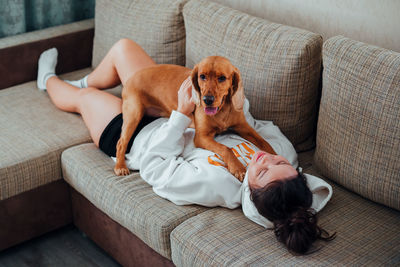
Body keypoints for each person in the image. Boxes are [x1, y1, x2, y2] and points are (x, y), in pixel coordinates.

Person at [37, 38, 335, 254]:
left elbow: (155, 168)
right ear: (295, 170)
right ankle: (84, 81)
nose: (265, 159)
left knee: (86, 98)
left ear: (251, 189)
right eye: (280, 164)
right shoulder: (283, 152)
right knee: (123, 48)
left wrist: (180, 115)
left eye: (261, 172)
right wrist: (235, 102)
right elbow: (257, 128)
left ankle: (49, 79)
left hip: (144, 137)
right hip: (175, 107)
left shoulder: (217, 185)